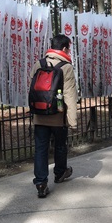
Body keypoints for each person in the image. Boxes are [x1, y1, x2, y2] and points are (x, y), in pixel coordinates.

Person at [30, 34, 78, 198]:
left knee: (41, 149)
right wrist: (73, 121)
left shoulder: (39, 64)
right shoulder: (66, 67)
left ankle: (41, 183)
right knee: (60, 145)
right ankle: (59, 173)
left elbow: (31, 88)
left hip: (40, 114)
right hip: (58, 116)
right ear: (64, 48)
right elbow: (70, 96)